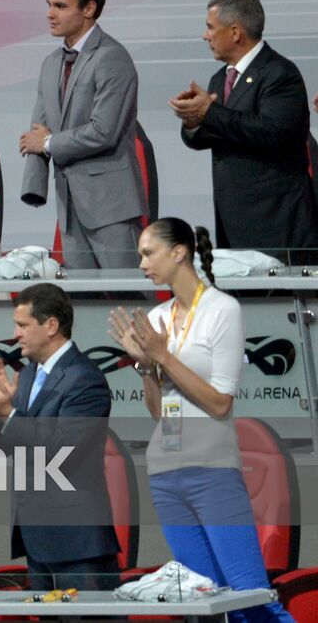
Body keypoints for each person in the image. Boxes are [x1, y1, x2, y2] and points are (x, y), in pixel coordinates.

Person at [110, 219, 296, 623]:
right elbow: (161, 412)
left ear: (179, 253)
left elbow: (219, 403)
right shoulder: (158, 316)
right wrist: (145, 367)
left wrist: (163, 356)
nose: (141, 263)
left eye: (148, 253)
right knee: (202, 600)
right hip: (165, 470)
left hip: (212, 469)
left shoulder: (221, 309)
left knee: (250, 596)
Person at [0, 283, 118, 591]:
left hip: (78, 543)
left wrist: (8, 413)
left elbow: (61, 452)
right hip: (37, 539)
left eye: (23, 325)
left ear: (51, 325)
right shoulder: (28, 375)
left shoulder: (85, 379)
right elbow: (7, 447)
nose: (16, 333)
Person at [170, 0, 318, 261]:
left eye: (210, 28)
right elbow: (211, 134)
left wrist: (209, 112)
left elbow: (273, 132)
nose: (206, 36)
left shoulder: (279, 73)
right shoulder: (220, 78)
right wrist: (193, 121)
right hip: (233, 222)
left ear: (236, 32)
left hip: (275, 222)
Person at [20, 0, 144, 269]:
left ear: (89, 8)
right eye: (49, 5)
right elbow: (38, 130)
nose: (51, 13)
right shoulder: (51, 63)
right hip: (69, 206)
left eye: (60, 6)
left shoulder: (112, 57)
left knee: (128, 295)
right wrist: (34, 187)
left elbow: (104, 131)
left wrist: (47, 144)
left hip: (111, 205)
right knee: (82, 301)